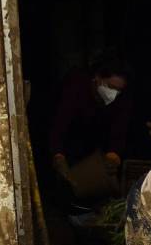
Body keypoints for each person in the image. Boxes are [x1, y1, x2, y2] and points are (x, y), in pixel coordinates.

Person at [49, 56, 133, 198]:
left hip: (99, 150)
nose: (114, 94)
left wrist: (113, 155)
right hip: (72, 144)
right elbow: (59, 125)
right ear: (98, 78)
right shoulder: (76, 87)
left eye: (118, 90)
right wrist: (58, 156)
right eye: (111, 87)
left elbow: (119, 130)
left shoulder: (122, 99)